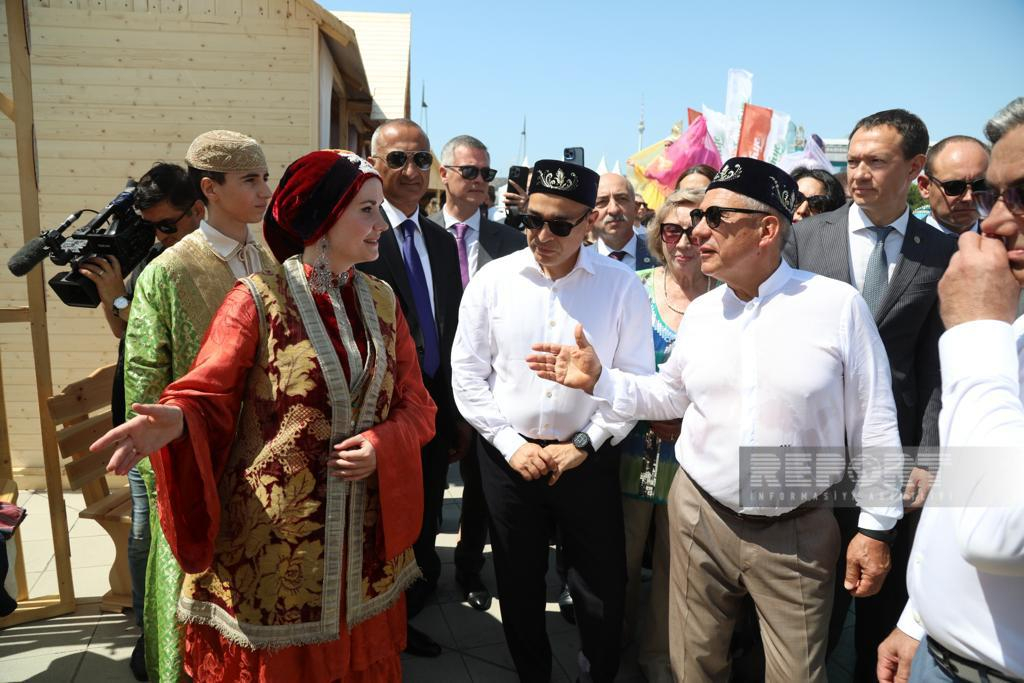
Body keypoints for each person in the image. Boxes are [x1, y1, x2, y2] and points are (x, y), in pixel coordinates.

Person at [527, 157, 904, 682]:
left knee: (796, 674)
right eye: (696, 216)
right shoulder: (704, 312)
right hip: (699, 517)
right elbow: (670, 395)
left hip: (795, 530)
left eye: (714, 218)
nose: (696, 231)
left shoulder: (837, 306)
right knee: (693, 667)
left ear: (766, 230)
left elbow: (875, 423)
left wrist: (877, 527)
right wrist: (601, 381)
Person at [91, 150, 435, 682]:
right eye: (367, 210)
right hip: (276, 547)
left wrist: (383, 444)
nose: (381, 225)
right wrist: (176, 419)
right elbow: (209, 391)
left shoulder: (383, 300)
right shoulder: (257, 299)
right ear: (323, 219)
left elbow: (417, 404)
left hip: (365, 546)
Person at [451, 159, 654, 682]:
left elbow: (635, 381)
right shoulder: (493, 281)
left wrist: (585, 443)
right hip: (508, 460)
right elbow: (467, 374)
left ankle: (596, 673)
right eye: (532, 220)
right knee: (517, 582)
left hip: (588, 459)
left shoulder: (622, 287)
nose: (542, 236)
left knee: (600, 586)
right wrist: (509, 443)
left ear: (589, 223)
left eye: (559, 225)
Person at [783, 109, 957, 680]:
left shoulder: (941, 253)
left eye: (875, 162)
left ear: (914, 168)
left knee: (879, 603)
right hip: (811, 454)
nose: (858, 173)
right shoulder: (805, 239)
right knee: (810, 610)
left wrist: (928, 456)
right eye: (853, 160)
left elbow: (935, 368)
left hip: (894, 457)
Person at [876, 96, 1024, 683]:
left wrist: (977, 328)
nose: (994, 221)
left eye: (1022, 195)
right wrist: (919, 617)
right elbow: (970, 475)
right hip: (940, 653)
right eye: (997, 196)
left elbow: (998, 530)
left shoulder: (991, 325)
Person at [123, 130, 274, 682]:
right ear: (209, 188)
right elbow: (144, 380)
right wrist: (166, 474)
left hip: (265, 464)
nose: (265, 191)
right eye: (250, 180)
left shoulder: (272, 259)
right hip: (197, 458)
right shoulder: (167, 271)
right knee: (191, 596)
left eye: (265, 177)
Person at [77, 162, 203, 681]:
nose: (159, 235)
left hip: (179, 417)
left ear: (198, 209)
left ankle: (178, 628)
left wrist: (119, 297)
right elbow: (123, 330)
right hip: (139, 418)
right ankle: (148, 630)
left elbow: (164, 326)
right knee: (145, 535)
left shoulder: (200, 263)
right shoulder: (154, 255)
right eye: (152, 226)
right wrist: (113, 295)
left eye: (167, 224)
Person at [357, 118, 463, 657]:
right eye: (397, 159)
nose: (412, 171)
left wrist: (456, 414)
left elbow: (450, 328)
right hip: (379, 415)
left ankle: (409, 611)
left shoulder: (441, 242)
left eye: (422, 159)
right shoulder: (362, 235)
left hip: (434, 409)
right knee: (384, 523)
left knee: (424, 516)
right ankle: (380, 624)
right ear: (373, 164)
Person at [618, 186, 711, 683]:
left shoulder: (728, 297)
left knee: (677, 571)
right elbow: (611, 364)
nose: (684, 241)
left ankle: (658, 661)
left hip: (694, 458)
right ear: (658, 235)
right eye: (672, 230)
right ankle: (611, 652)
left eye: (695, 230)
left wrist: (686, 415)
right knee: (621, 561)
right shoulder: (632, 288)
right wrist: (649, 408)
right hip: (631, 450)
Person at [430, 134, 526, 612]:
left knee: (480, 489)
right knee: (428, 486)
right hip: (430, 381)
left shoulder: (511, 242)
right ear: (444, 173)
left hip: (489, 385)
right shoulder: (420, 234)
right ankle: (420, 572)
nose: (479, 181)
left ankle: (469, 570)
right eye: (469, 171)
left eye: (486, 173)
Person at [917, 135, 991, 236]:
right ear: (925, 187)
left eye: (981, 185)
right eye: (954, 187)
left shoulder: (1006, 242)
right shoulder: (901, 242)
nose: (969, 197)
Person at [590, 173, 655, 270]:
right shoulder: (577, 262)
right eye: (602, 201)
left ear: (635, 208)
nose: (613, 210)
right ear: (590, 213)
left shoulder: (661, 257)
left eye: (622, 199)